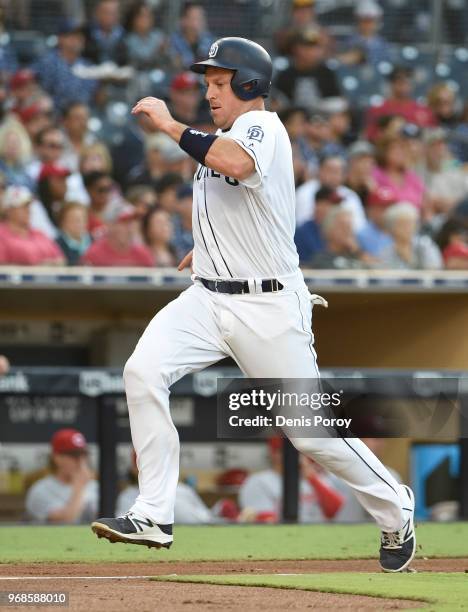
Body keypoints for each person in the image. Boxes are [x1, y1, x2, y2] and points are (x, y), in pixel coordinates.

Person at [90, 37, 416, 573]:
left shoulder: (260, 127)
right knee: (141, 371)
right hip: (207, 297)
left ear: (249, 83)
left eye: (220, 82)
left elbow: (237, 164)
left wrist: (171, 125)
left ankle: (395, 506)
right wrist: (212, 243)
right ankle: (153, 513)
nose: (210, 91)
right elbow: (241, 197)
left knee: (311, 434)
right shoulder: (223, 136)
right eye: (209, 82)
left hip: (267, 307)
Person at [239, 437, 345, 523]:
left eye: (300, 451)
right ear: (273, 454)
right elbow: (266, 520)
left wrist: (311, 477)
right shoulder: (258, 481)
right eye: (281, 451)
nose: (296, 455)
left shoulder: (316, 478)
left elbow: (336, 511)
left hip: (321, 538)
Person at [25, 429, 98, 524]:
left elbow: (107, 521)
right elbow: (66, 521)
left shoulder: (94, 486)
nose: (81, 462)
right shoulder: (40, 490)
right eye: (74, 456)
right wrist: (79, 488)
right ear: (57, 458)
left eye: (83, 455)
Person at [32, 19, 98, 111]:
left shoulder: (88, 66)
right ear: (60, 39)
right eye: (72, 35)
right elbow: (36, 89)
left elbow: (93, 96)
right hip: (55, 117)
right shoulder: (47, 62)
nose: (78, 39)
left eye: (80, 35)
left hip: (83, 116)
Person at [295, 154, 366, 231]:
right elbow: (301, 224)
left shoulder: (351, 196)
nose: (333, 175)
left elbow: (360, 227)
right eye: (329, 170)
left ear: (344, 176)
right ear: (319, 171)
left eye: (337, 172)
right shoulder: (305, 192)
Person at [274, 28, 340, 110]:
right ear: (295, 49)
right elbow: (278, 103)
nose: (310, 52)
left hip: (322, 118)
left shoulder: (326, 73)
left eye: (314, 47)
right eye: (305, 47)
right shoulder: (285, 75)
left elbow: (336, 101)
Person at [365, 66, 436, 142]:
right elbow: (371, 136)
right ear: (391, 84)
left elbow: (432, 137)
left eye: (408, 80)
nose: (404, 85)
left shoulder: (424, 110)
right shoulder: (378, 110)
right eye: (400, 81)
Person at [0, 185, 64, 266]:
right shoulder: (1, 234)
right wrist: (35, 267)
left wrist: (48, 265)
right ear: (8, 210)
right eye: (23, 206)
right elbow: (2, 268)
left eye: (29, 206)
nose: (28, 210)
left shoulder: (39, 234)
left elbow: (61, 259)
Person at [81, 206, 153, 267]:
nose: (128, 227)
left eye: (131, 222)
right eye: (123, 223)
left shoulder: (143, 255)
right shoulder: (94, 254)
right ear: (110, 225)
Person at [378, 202, 442, 270]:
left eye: (411, 224)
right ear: (391, 227)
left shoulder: (425, 245)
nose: (408, 228)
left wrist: (409, 259)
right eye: (403, 224)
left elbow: (435, 270)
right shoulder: (385, 250)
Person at [372, 134, 425, 210]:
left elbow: (424, 200)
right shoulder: (376, 174)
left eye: (402, 148)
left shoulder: (411, 176)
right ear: (384, 151)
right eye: (394, 148)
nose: (400, 152)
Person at [307, 207, 371, 269]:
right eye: (343, 226)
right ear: (329, 230)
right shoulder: (321, 260)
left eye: (349, 226)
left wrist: (357, 251)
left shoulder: (357, 255)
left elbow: (375, 270)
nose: (348, 230)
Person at [294, 186, 343, 263]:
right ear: (319, 206)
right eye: (332, 205)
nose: (337, 210)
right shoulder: (303, 233)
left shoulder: (338, 232)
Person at [339, 0, 389, 67]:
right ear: (358, 21)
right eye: (364, 21)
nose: (368, 25)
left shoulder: (383, 44)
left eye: (371, 21)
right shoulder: (348, 42)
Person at [123, 1, 168, 71]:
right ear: (134, 19)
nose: (146, 20)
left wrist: (164, 52)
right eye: (142, 16)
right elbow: (137, 62)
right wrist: (157, 52)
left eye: (148, 16)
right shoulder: (128, 40)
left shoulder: (159, 36)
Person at [169, 2, 214, 70]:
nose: (199, 22)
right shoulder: (172, 41)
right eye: (195, 18)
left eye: (201, 18)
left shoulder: (210, 40)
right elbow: (176, 64)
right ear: (183, 20)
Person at [82, 0, 127, 66]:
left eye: (113, 13)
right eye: (106, 12)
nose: (109, 16)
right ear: (97, 13)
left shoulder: (124, 34)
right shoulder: (86, 32)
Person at [60, 102, 96, 172]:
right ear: (65, 121)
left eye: (85, 118)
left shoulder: (94, 142)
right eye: (78, 118)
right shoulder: (55, 142)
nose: (83, 122)